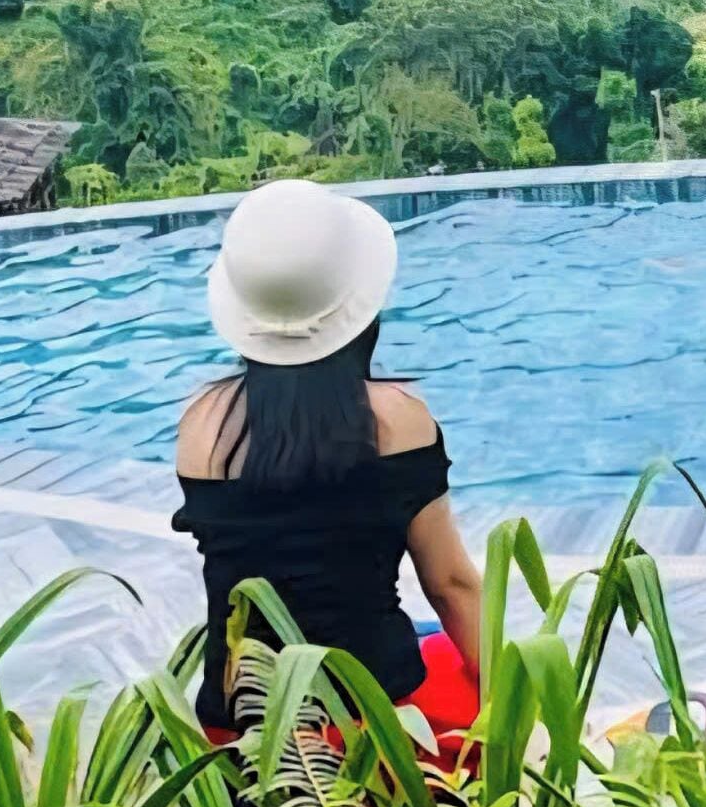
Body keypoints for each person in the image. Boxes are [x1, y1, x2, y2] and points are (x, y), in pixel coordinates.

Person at [173, 178, 483, 747]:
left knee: (426, 635)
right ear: (359, 306)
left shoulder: (201, 424)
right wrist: (524, 706)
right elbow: (452, 583)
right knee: (447, 646)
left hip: (238, 731)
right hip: (373, 728)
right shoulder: (399, 421)